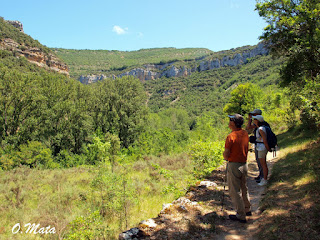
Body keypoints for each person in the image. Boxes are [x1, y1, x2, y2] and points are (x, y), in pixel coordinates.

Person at [223, 114, 251, 223]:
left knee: (235, 190)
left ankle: (240, 215)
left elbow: (226, 154)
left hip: (234, 164)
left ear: (233, 123)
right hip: (244, 164)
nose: (229, 122)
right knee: (244, 187)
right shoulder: (244, 133)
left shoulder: (231, 136)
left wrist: (226, 157)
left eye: (230, 120)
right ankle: (247, 209)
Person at [246, 109, 270, 183]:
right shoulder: (258, 124)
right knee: (259, 161)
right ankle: (261, 175)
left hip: (261, 146)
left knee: (261, 162)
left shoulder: (261, 126)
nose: (253, 116)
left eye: (254, 114)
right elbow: (248, 127)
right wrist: (250, 119)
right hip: (258, 145)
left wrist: (267, 147)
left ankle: (263, 177)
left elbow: (264, 138)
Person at [252, 115, 270, 186]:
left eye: (255, 119)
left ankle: (264, 179)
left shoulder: (260, 129)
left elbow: (264, 140)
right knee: (263, 164)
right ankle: (264, 178)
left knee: (263, 165)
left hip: (261, 148)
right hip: (261, 147)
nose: (253, 120)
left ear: (258, 121)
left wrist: (267, 148)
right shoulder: (260, 128)